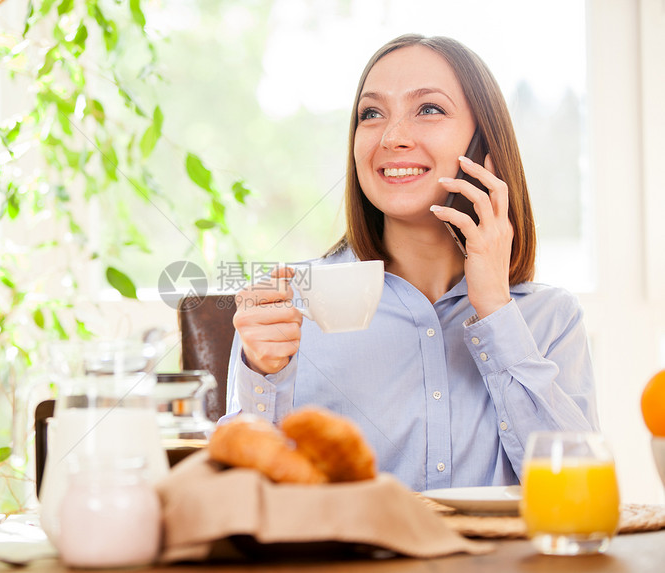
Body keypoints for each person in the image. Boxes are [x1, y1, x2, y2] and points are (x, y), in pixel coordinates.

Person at [223, 33, 598, 492]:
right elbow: (241, 499)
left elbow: (577, 493)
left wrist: (497, 312)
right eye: (371, 114)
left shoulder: (549, 320)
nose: (392, 137)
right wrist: (263, 375)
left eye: (429, 109)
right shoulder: (290, 305)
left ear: (484, 141)